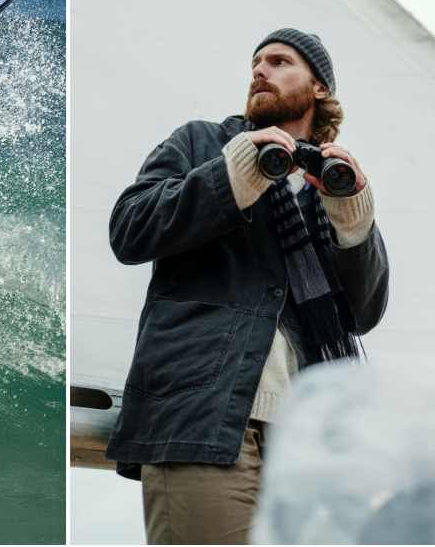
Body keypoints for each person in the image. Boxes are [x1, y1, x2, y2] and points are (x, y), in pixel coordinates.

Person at [104, 29, 390, 544]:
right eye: (256, 63)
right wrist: (235, 174)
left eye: (280, 62)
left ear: (319, 88)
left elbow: (364, 311)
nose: (260, 70)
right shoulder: (201, 143)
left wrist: (351, 219)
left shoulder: (328, 179)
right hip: (204, 418)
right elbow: (130, 230)